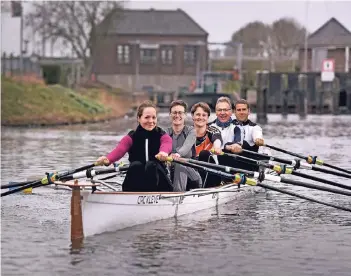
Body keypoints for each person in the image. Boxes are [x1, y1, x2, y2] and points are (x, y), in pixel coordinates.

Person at [95, 100, 173, 192]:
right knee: (136, 165)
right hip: (137, 183)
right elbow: (119, 150)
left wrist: (163, 152)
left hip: (160, 184)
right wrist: (108, 159)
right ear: (139, 118)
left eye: (153, 117)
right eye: (147, 117)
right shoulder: (131, 137)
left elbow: (167, 144)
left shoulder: (162, 135)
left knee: (151, 165)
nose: (151, 121)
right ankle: (131, 194)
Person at [165, 100, 202, 191]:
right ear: (170, 115)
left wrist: (178, 154)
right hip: (172, 173)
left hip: (192, 177)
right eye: (174, 113)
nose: (177, 115)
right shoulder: (165, 133)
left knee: (179, 163)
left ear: (185, 115)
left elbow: (186, 147)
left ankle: (177, 196)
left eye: (180, 113)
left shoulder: (191, 131)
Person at [191, 102, 224, 188]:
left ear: (207, 117)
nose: (200, 117)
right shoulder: (187, 132)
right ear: (193, 116)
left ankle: (201, 188)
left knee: (204, 153)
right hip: (193, 171)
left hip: (212, 174)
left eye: (204, 115)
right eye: (198, 114)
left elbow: (217, 139)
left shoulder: (212, 130)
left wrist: (216, 147)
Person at [233, 98, 265, 171]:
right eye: (239, 110)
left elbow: (257, 135)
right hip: (231, 162)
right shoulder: (229, 126)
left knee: (243, 143)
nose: (241, 112)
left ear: (249, 111)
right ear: (234, 112)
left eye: (244, 109)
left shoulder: (255, 128)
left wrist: (258, 140)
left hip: (248, 165)